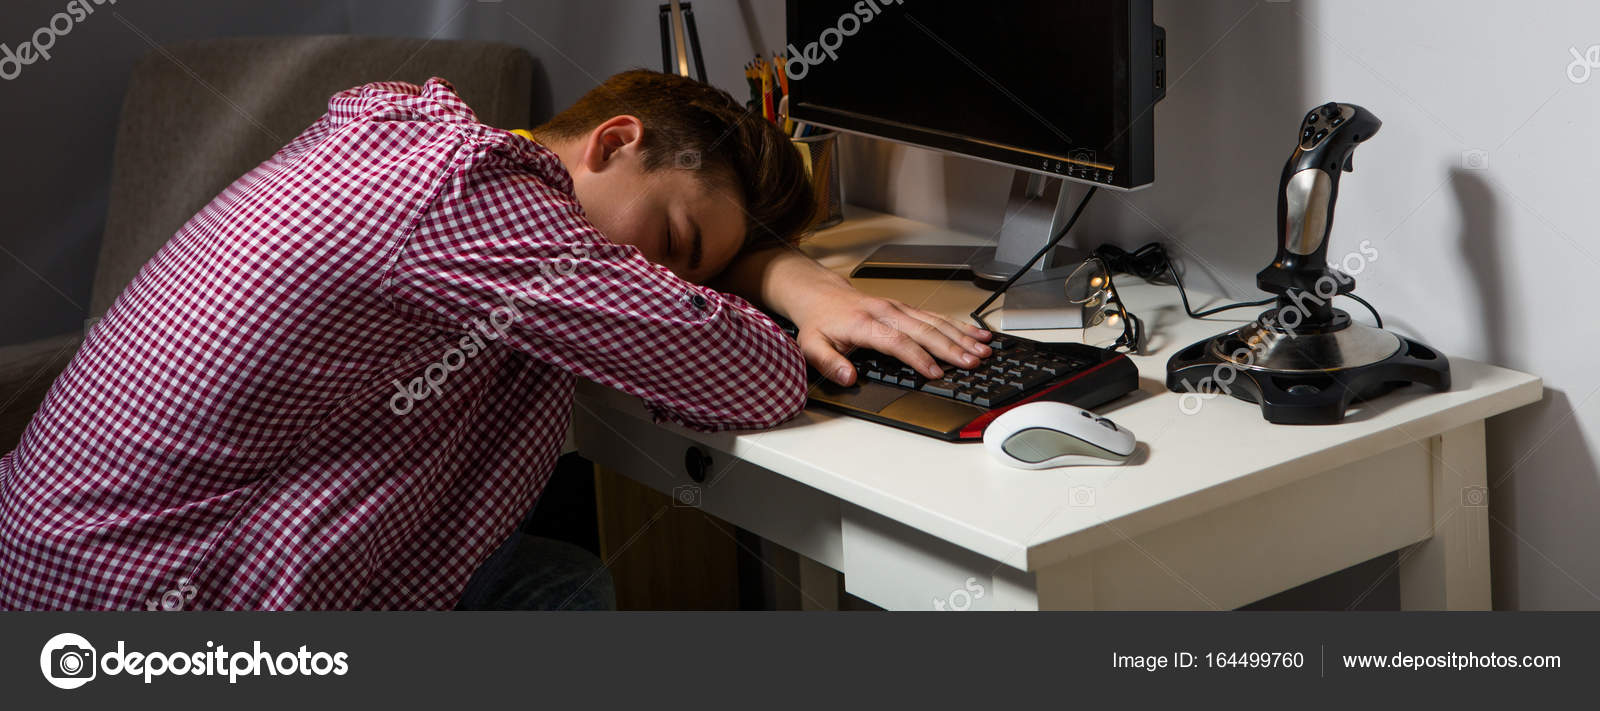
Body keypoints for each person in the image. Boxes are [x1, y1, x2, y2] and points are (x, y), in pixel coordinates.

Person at [0, 69, 992, 610]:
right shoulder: (471, 203)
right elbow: (747, 376)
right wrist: (791, 289)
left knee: (558, 574)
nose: (661, 282)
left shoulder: (399, 124)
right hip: (139, 604)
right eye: (678, 241)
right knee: (562, 594)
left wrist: (761, 263)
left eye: (695, 270)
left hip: (52, 552)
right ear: (613, 143)